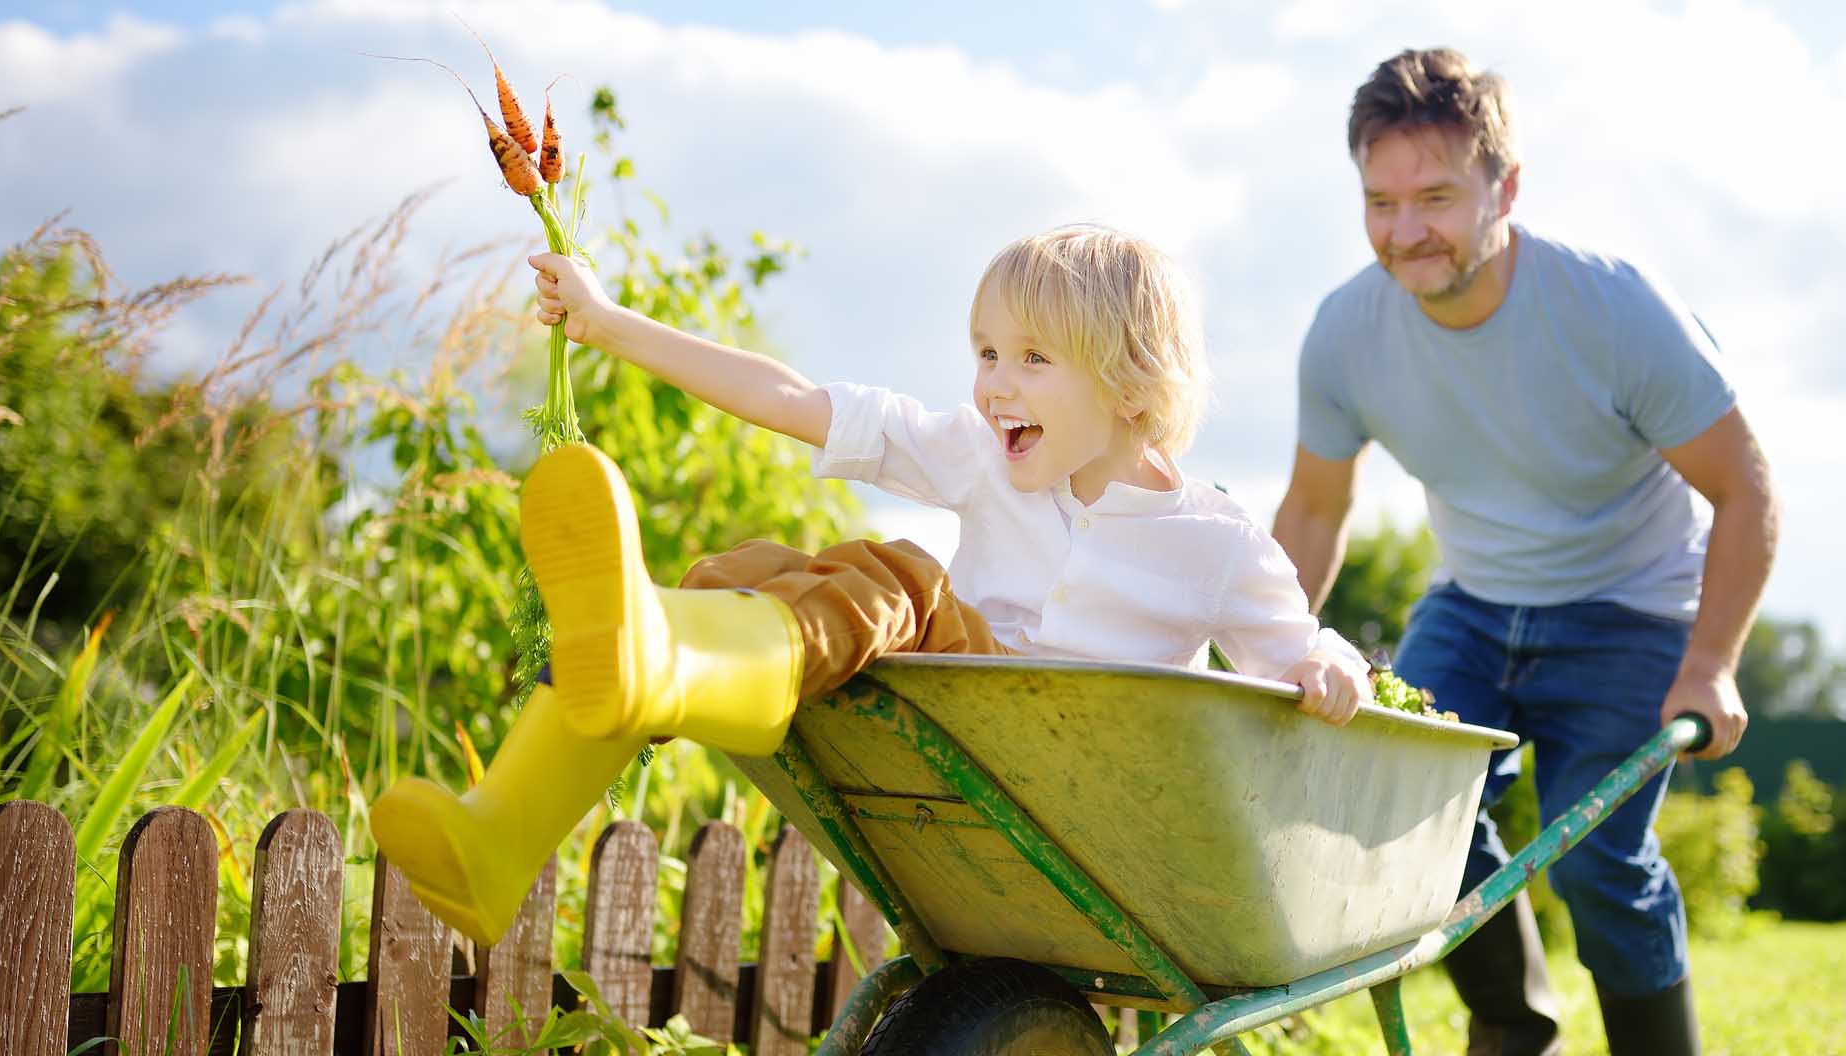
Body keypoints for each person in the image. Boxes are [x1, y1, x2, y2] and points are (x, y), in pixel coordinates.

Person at [373, 223, 1370, 949]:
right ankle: (500, 832)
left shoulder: (1217, 543)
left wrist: (1331, 669)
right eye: (985, 352)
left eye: (1031, 358)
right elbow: (796, 400)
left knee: (897, 574)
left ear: (1130, 387)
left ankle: (665, 664)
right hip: (957, 759)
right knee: (744, 579)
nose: (993, 385)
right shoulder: (983, 455)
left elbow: (1297, 650)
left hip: (1074, 801)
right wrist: (605, 323)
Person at [1273, 50, 1780, 1056]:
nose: (1405, 233)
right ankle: (1513, 1039)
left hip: (1631, 609)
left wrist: (1711, 662)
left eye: (1435, 198)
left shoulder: (1608, 308)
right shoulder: (1346, 333)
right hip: (1471, 602)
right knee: (1407, 821)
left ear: (1504, 187)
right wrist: (1269, 649)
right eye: (1379, 203)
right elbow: (1311, 508)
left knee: (1599, 856)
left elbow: (1746, 487)